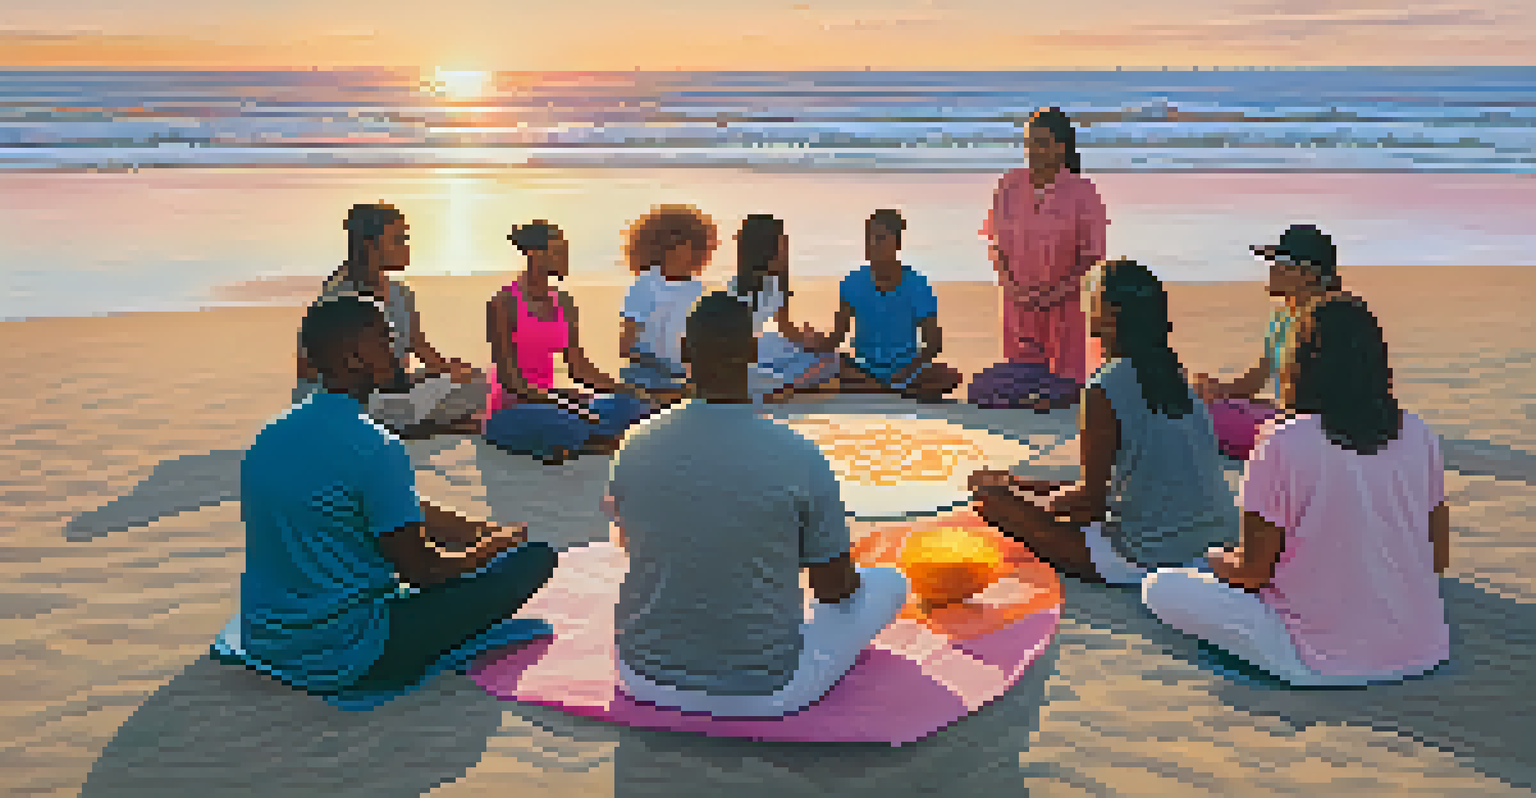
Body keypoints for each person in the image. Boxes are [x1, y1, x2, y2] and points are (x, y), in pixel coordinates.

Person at [223, 293, 558, 708]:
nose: (397, 350)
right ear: (354, 358)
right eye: (384, 339)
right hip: (344, 651)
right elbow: (423, 572)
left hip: (267, 638)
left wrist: (478, 530)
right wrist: (490, 548)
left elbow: (380, 505)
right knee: (535, 559)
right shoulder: (375, 446)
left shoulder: (270, 435)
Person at [603, 292, 910, 718]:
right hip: (764, 688)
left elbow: (633, 543)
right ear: (751, 352)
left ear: (685, 351)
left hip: (641, 675)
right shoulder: (798, 454)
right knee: (890, 582)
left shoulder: (634, 445)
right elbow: (836, 590)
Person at [1143, 296, 1451, 687]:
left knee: (1160, 587)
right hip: (1421, 649)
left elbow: (1251, 572)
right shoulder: (1418, 432)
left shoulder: (1281, 441)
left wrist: (1215, 560)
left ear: (1299, 363)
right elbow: (1437, 558)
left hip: (1318, 658)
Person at [968, 258, 1237, 586]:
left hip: (1148, 555)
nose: (1084, 307)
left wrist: (1026, 502)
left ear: (1110, 315)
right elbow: (1122, 481)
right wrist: (1020, 483)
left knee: (990, 501)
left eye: (1091, 298)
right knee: (1009, 493)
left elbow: (1091, 504)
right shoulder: (1174, 376)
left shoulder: (1104, 388)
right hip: (1217, 544)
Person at [294, 202, 488, 439]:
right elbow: (309, 372)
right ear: (370, 244)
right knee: (387, 407)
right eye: (397, 240)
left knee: (479, 382)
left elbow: (417, 345)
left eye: (405, 238)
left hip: (392, 389)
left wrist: (449, 370)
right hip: (345, 400)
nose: (406, 247)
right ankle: (414, 426)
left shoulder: (400, 293)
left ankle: (409, 422)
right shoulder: (338, 298)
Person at [483, 221, 656, 465]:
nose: (564, 260)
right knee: (576, 424)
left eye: (565, 252)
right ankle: (600, 443)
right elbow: (510, 380)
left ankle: (588, 438)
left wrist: (625, 390)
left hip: (556, 401)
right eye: (557, 252)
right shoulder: (504, 303)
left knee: (633, 406)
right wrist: (565, 402)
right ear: (534, 254)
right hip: (514, 408)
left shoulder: (563, 302)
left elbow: (579, 368)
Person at [971, 107, 1109, 410]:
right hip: (1018, 302)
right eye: (1030, 142)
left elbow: (1092, 258)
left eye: (1042, 143)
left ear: (1061, 147)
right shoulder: (1009, 186)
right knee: (1011, 383)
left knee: (1065, 387)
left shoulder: (1083, 192)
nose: (1034, 150)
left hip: (1066, 305)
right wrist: (1012, 287)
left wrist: (1054, 295)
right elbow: (995, 244)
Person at [1192, 224, 1346, 460]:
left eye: (1280, 263)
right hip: (1286, 418)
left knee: (1202, 420)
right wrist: (1217, 390)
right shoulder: (1283, 318)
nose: (1272, 270)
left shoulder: (1333, 321)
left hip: (1317, 432)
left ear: (1308, 274)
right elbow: (1255, 380)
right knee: (1200, 408)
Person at [813, 209, 964, 403]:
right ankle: (889, 390)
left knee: (950, 376)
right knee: (832, 365)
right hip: (864, 367)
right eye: (868, 239)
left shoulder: (917, 284)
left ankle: (879, 389)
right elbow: (837, 336)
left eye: (880, 239)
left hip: (906, 369)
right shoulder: (852, 282)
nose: (872, 246)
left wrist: (907, 371)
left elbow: (933, 343)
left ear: (897, 244)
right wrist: (812, 344)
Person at [725, 214, 841, 404]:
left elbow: (780, 329)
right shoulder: (772, 284)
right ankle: (785, 387)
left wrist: (805, 336)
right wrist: (812, 340)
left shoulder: (735, 284)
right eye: (783, 244)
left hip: (752, 356)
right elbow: (787, 331)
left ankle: (774, 386)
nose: (786, 250)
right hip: (763, 356)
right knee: (829, 358)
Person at [618, 204, 718, 407]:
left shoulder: (702, 291)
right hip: (647, 378)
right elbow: (626, 346)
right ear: (668, 246)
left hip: (687, 379)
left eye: (703, 247)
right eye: (694, 246)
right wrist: (665, 366)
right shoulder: (645, 285)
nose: (702, 254)